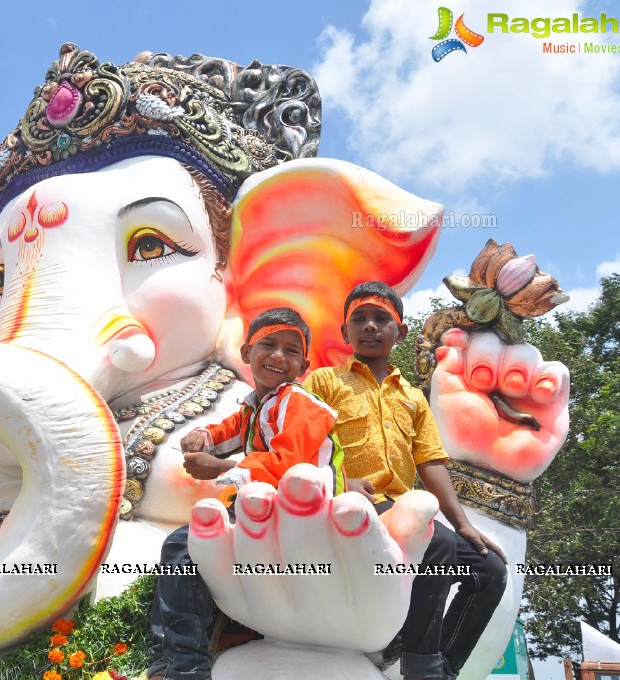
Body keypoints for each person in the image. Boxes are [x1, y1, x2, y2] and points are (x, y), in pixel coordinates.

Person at [303, 281, 507, 680]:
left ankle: (445, 666)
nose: (370, 327)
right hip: (348, 505)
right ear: (345, 332)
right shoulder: (324, 382)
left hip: (403, 509)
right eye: (358, 319)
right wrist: (342, 477)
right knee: (439, 545)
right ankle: (421, 665)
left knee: (490, 570)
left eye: (382, 319)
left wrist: (465, 525)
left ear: (401, 331)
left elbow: (430, 462)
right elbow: (302, 443)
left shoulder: (413, 396)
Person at [147, 307, 345, 680]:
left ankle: (182, 665)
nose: (277, 356)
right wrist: (202, 437)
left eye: (290, 350)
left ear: (303, 365)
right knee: (192, 543)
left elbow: (289, 463)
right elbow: (225, 432)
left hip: (305, 517)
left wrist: (221, 469)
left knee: (182, 545)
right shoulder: (256, 406)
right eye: (268, 344)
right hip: (268, 512)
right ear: (246, 352)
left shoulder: (302, 403)